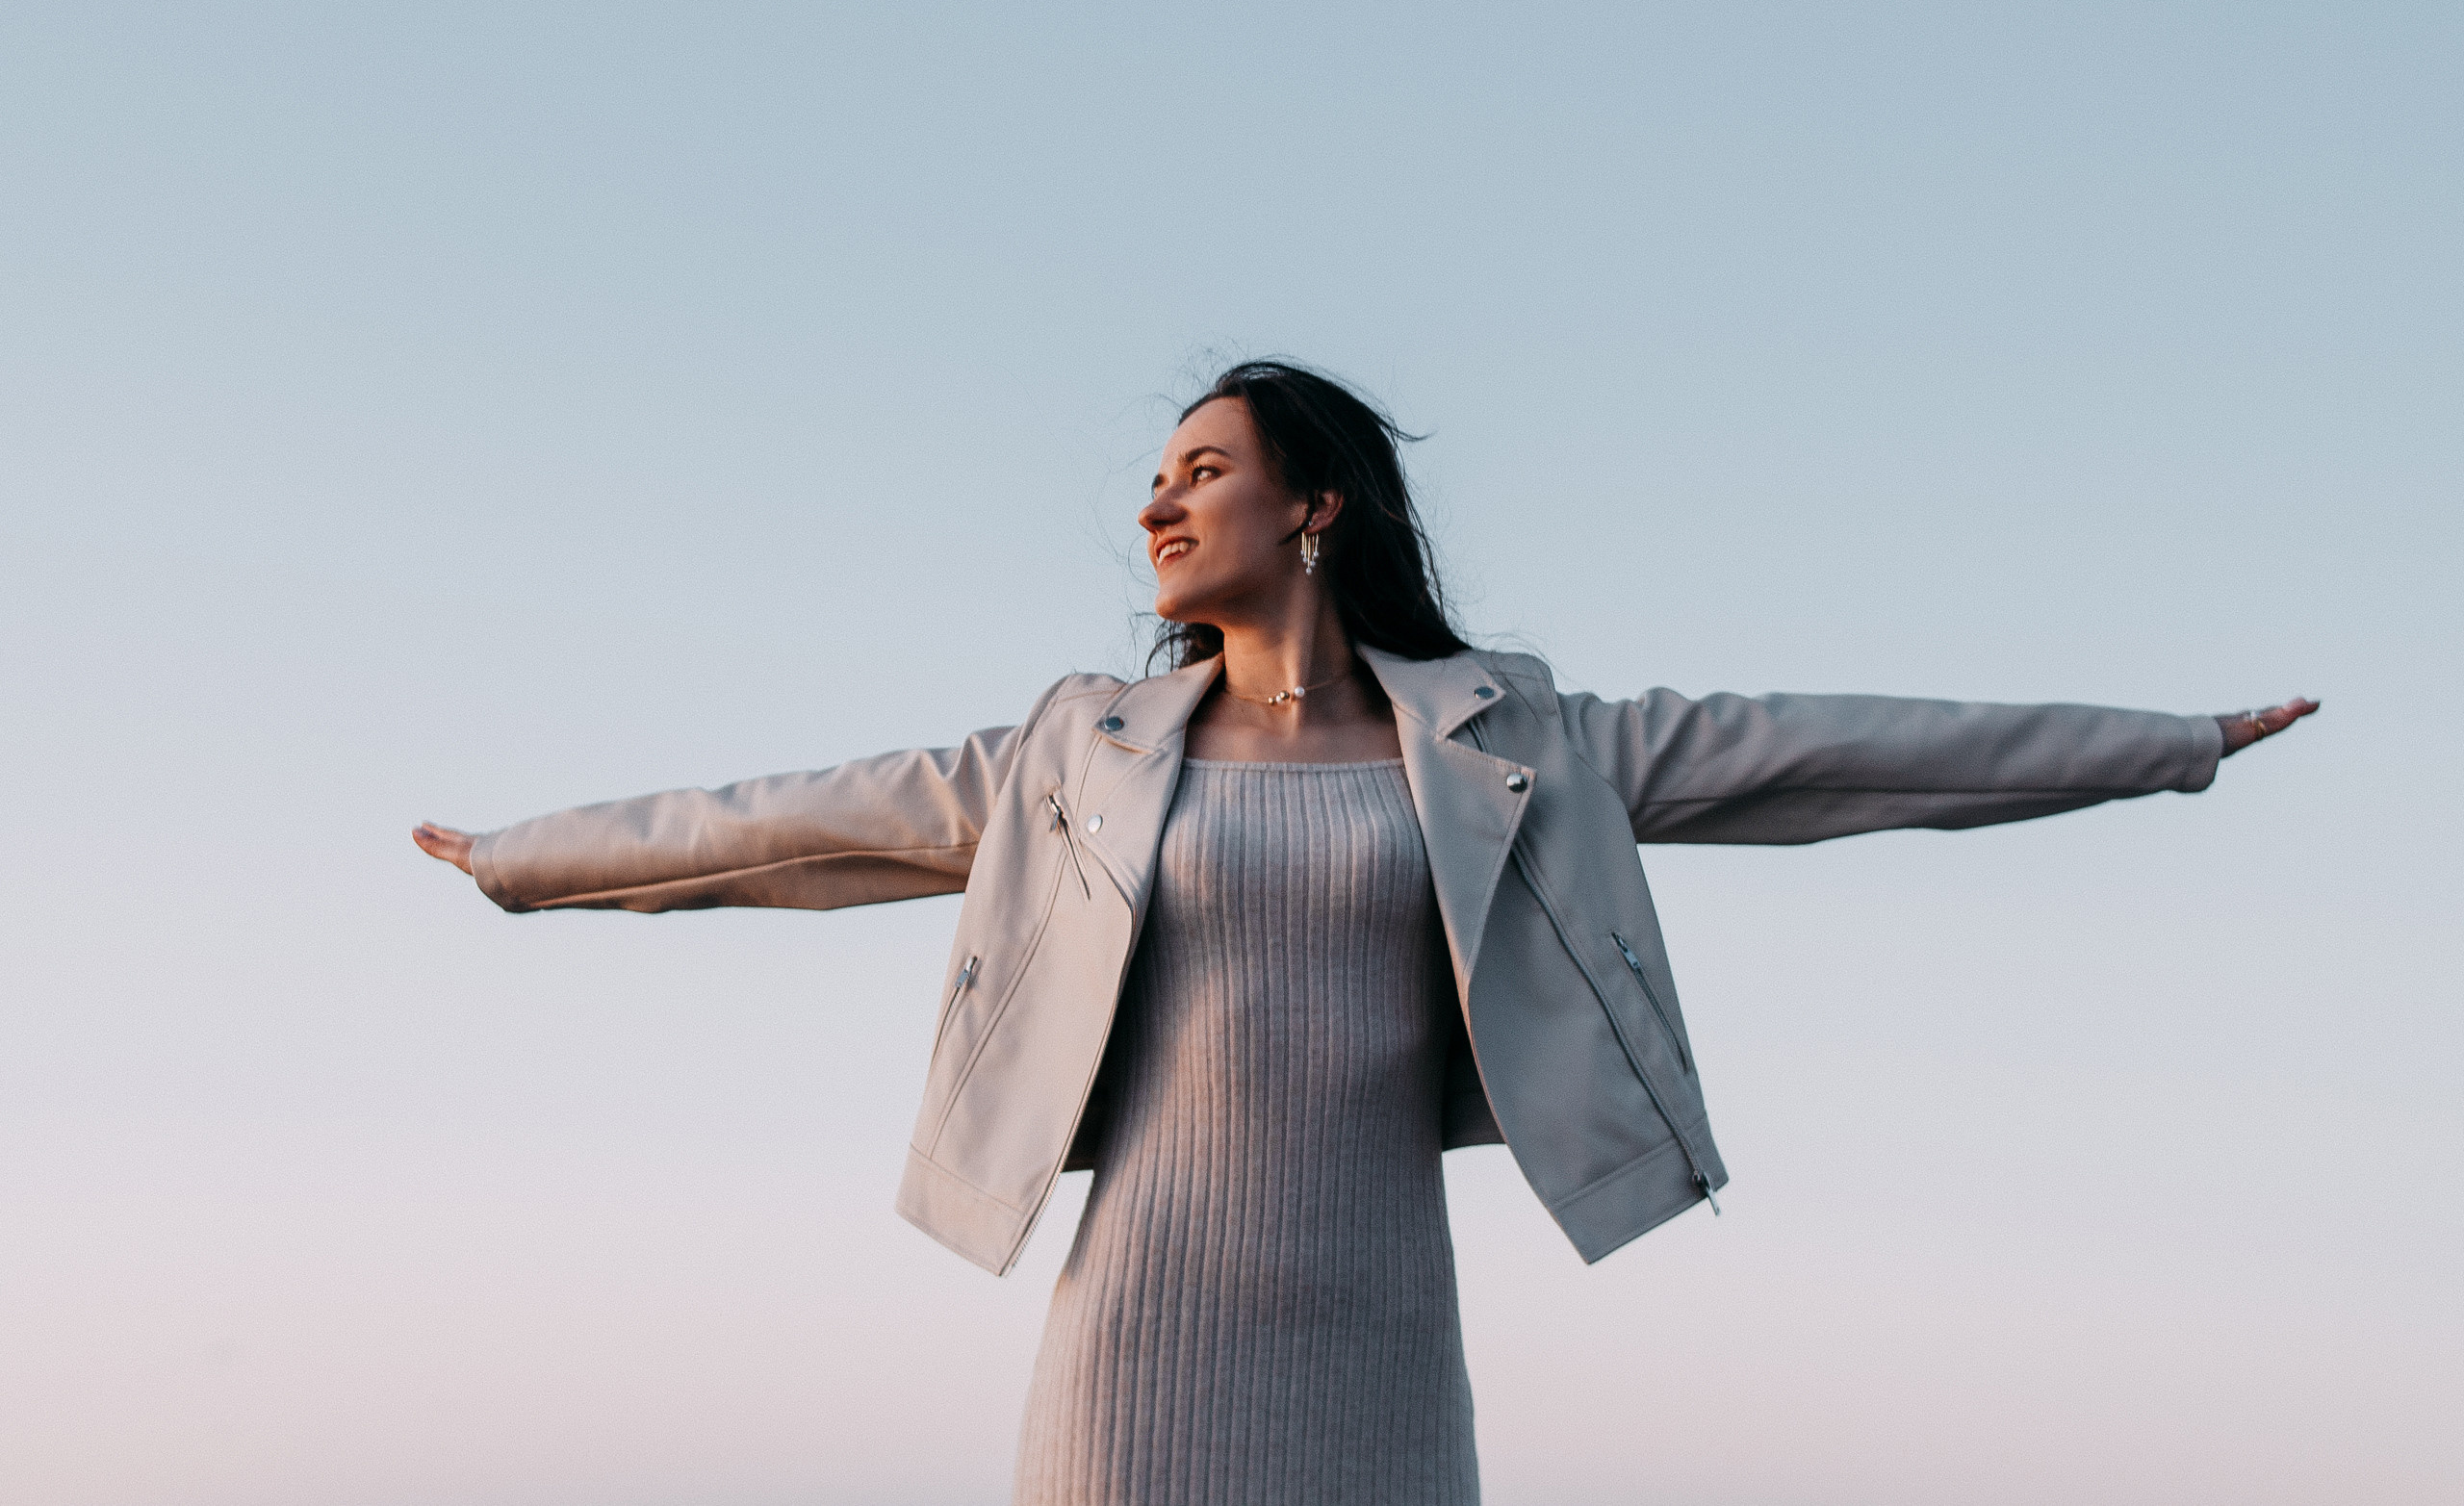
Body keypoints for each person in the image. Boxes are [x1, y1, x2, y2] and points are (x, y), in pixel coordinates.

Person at [413, 360, 2315, 1505]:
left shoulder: (1514, 741)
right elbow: (778, 824)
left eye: (1203, 467)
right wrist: (514, 853)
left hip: (1378, 1328)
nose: (1157, 498)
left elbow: (1827, 753)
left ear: (1312, 505)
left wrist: (2165, 747)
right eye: (1154, 476)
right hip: (1136, 1331)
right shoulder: (1078, 748)